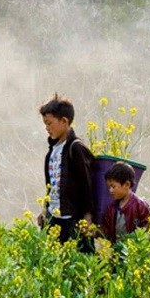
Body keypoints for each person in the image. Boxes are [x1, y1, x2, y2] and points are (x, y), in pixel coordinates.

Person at [38, 94, 96, 252]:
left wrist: (88, 216)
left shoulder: (75, 148)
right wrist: (45, 210)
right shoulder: (52, 152)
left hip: (73, 219)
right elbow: (51, 186)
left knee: (80, 261)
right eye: (45, 124)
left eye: (49, 123)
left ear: (64, 121)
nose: (47, 128)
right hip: (54, 218)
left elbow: (87, 185)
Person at [99, 161, 150, 244]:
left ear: (127, 185)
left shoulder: (140, 206)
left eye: (113, 186)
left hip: (134, 252)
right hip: (116, 252)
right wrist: (94, 232)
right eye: (109, 187)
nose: (110, 190)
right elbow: (107, 232)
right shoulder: (111, 208)